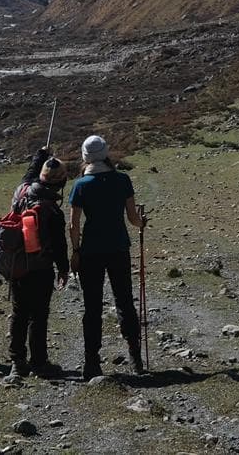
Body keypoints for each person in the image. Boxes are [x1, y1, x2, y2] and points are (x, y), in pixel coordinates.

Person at [67, 135, 146, 379]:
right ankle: (135, 357)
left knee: (92, 307)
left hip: (90, 251)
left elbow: (74, 225)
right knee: (124, 301)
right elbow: (132, 218)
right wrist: (142, 223)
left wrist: (75, 250)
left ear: (85, 156)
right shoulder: (122, 180)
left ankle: (91, 362)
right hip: (118, 248)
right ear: (105, 153)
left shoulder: (80, 185)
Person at [8, 148, 71, 379]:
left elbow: (29, 176)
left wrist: (40, 156)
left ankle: (17, 362)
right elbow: (59, 245)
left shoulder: (22, 192)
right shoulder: (52, 210)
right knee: (38, 314)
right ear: (61, 182)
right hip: (40, 268)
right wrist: (63, 269)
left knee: (19, 313)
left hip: (16, 263)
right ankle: (39, 362)